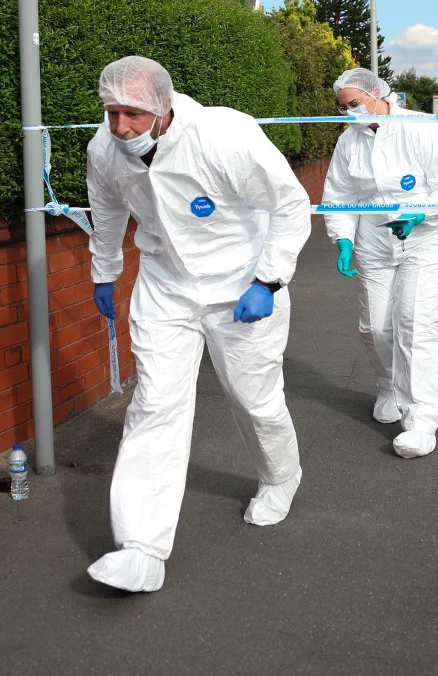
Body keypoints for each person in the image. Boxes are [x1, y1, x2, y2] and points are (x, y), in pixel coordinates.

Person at [85, 56, 312, 593]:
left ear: (164, 106)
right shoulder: (105, 150)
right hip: (166, 286)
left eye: (134, 114)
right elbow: (108, 210)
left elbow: (290, 203)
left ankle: (280, 476)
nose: (121, 127)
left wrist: (269, 280)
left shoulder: (222, 135)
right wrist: (105, 271)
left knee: (253, 398)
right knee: (155, 404)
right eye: (112, 112)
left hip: (240, 281)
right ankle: (140, 547)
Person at [321, 68, 438, 459]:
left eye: (355, 104)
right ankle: (389, 389)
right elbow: (339, 197)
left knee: (415, 326)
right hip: (373, 242)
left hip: (426, 241)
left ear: (377, 93)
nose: (350, 113)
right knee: (376, 326)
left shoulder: (421, 128)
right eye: (344, 108)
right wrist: (343, 239)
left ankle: (421, 422)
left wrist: (421, 214)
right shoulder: (348, 142)